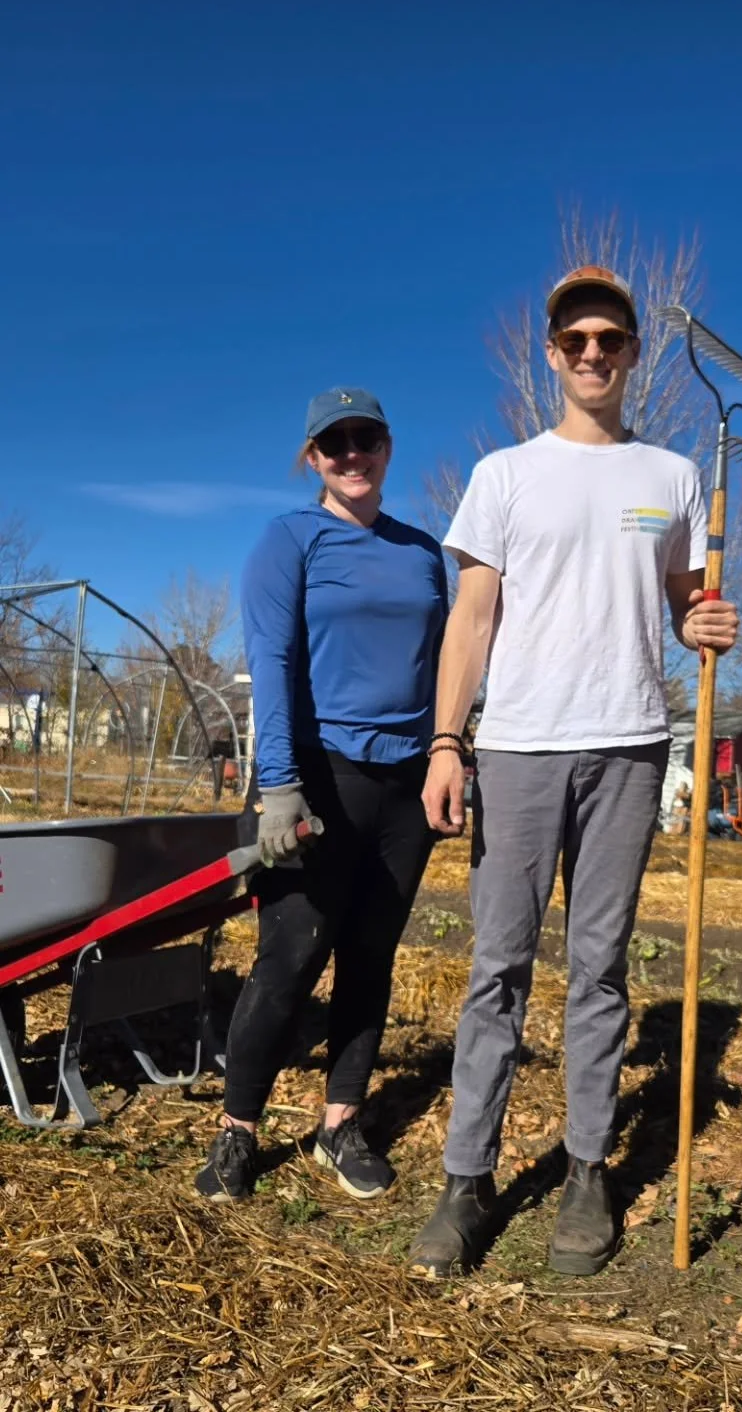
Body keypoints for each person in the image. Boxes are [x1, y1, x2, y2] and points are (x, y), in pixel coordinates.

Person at [408, 266, 739, 1278]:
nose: (594, 354)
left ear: (633, 353)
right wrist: (447, 740)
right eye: (576, 341)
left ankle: (591, 1168)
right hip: (515, 747)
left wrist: (705, 622)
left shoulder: (674, 476)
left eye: (612, 339)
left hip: (631, 744)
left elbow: (684, 600)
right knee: (497, 968)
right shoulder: (505, 475)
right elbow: (473, 617)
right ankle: (469, 1180)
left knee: (599, 970)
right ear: (553, 355)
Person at [194, 388, 448, 1203]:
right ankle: (238, 1131)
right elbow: (269, 661)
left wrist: (453, 752)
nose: (351, 454)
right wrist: (277, 786)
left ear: (387, 445)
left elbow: (447, 663)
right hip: (319, 774)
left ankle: (340, 1123)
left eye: (365, 438)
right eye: (332, 444)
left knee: (369, 957)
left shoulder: (422, 551)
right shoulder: (290, 539)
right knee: (291, 954)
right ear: (313, 459)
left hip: (404, 784)